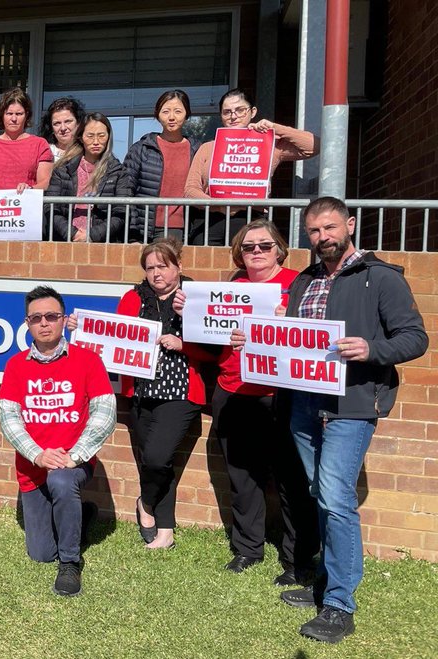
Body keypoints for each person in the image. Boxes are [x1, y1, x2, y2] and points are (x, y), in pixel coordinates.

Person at [233, 197, 428, 643]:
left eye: (330, 228)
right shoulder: (305, 280)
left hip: (353, 404)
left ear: (350, 224)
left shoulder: (379, 278)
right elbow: (294, 340)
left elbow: (415, 338)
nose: (323, 238)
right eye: (315, 231)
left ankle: (340, 603)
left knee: (336, 498)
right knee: (319, 493)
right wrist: (259, 336)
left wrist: (372, 349)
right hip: (304, 402)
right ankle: (324, 581)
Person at [174, 220, 319, 585]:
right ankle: (248, 549)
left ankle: (296, 558)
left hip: (282, 395)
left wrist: (293, 320)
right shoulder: (228, 289)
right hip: (233, 392)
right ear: (239, 252)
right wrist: (186, 315)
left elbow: (319, 337)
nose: (256, 252)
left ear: (279, 250)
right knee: (243, 478)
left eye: (264, 246)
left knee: (291, 479)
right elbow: (208, 346)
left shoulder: (298, 285)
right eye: (249, 246)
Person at [0, 285, 116, 597]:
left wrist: (75, 456)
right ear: (27, 323)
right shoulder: (15, 365)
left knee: (62, 484)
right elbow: (9, 418)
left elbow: (105, 413)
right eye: (36, 318)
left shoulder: (88, 361)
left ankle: (70, 564)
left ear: (63, 319)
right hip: (33, 468)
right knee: (40, 553)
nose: (44, 323)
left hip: (71, 462)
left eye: (51, 316)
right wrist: (36, 454)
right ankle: (82, 514)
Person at [114, 238, 211, 549]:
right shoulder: (133, 298)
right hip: (141, 391)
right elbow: (115, 337)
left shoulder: (197, 297)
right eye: (150, 267)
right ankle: (165, 530)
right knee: (155, 462)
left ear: (178, 266)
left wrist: (184, 343)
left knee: (157, 457)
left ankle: (145, 502)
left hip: (180, 390)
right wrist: (84, 329)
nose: (155, 273)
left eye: (162, 266)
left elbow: (216, 350)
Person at [185, 89, 317, 245]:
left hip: (252, 219)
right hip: (210, 220)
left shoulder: (269, 145)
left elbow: (313, 146)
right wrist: (219, 205)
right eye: (227, 112)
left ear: (252, 112)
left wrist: (274, 127)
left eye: (240, 110)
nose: (233, 116)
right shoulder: (208, 147)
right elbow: (190, 190)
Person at [123, 90, 202, 243]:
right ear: (157, 114)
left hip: (178, 228)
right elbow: (126, 190)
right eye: (165, 111)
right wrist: (132, 229)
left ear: (187, 114)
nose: (171, 117)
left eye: (178, 111)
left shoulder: (197, 149)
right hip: (142, 228)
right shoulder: (141, 148)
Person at [49, 113, 133, 242]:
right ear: (81, 137)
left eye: (101, 136)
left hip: (103, 245)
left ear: (108, 137)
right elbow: (51, 207)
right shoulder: (63, 169)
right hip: (65, 242)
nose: (96, 142)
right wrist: (72, 233)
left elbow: (121, 212)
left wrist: (92, 235)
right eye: (90, 136)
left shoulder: (118, 171)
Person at [0, 88, 53, 194]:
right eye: (9, 113)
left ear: (27, 115)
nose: (14, 119)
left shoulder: (39, 144)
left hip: (27, 206)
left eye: (19, 114)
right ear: (2, 115)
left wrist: (30, 189)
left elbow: (45, 182)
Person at [40, 97, 86, 164]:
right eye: (57, 123)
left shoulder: (88, 151)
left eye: (68, 121)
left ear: (78, 123)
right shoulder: (44, 152)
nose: (63, 128)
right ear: (51, 128)